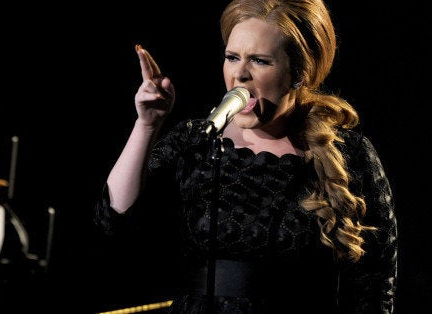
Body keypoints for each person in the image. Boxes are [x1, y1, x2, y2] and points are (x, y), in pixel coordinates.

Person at [93, 0, 397, 313]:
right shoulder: (196, 140)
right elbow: (113, 221)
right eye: (232, 57)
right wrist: (147, 124)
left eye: (260, 61)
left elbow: (375, 284)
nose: (240, 74)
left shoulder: (350, 154)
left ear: (299, 74)